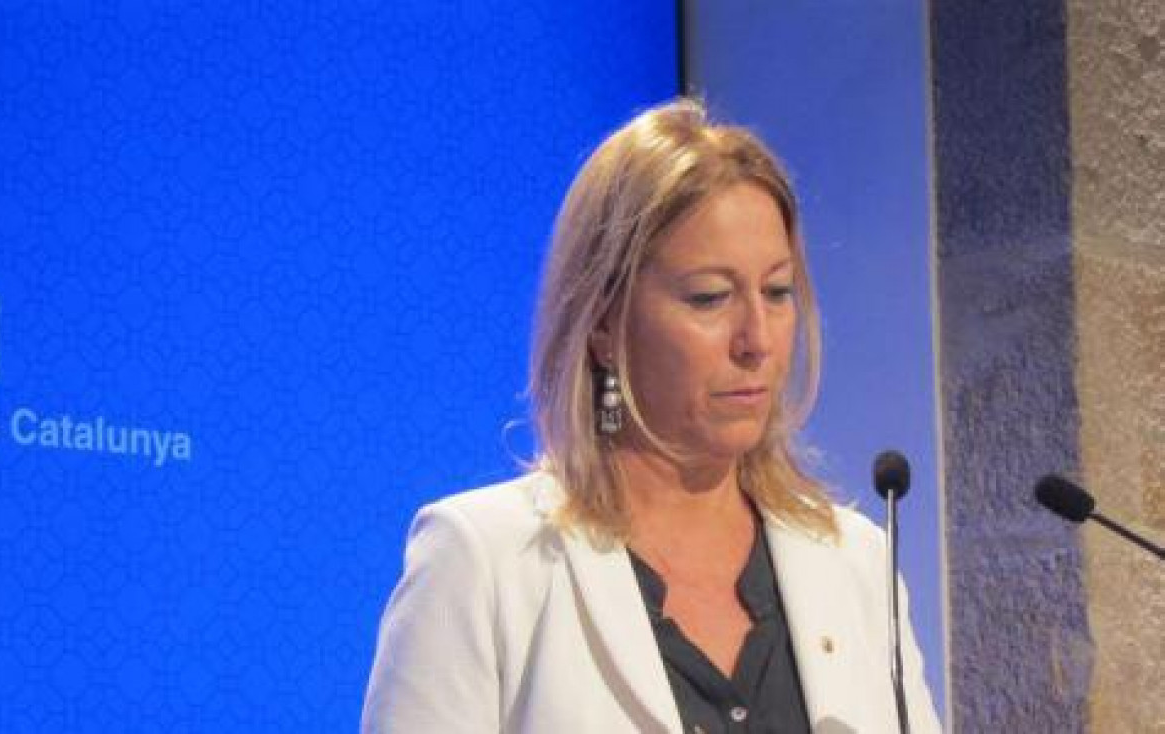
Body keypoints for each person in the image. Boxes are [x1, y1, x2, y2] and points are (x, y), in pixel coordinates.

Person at [361, 99, 941, 733]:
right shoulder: (484, 563)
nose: (757, 339)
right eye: (710, 297)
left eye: (777, 292)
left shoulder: (856, 563)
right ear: (603, 324)